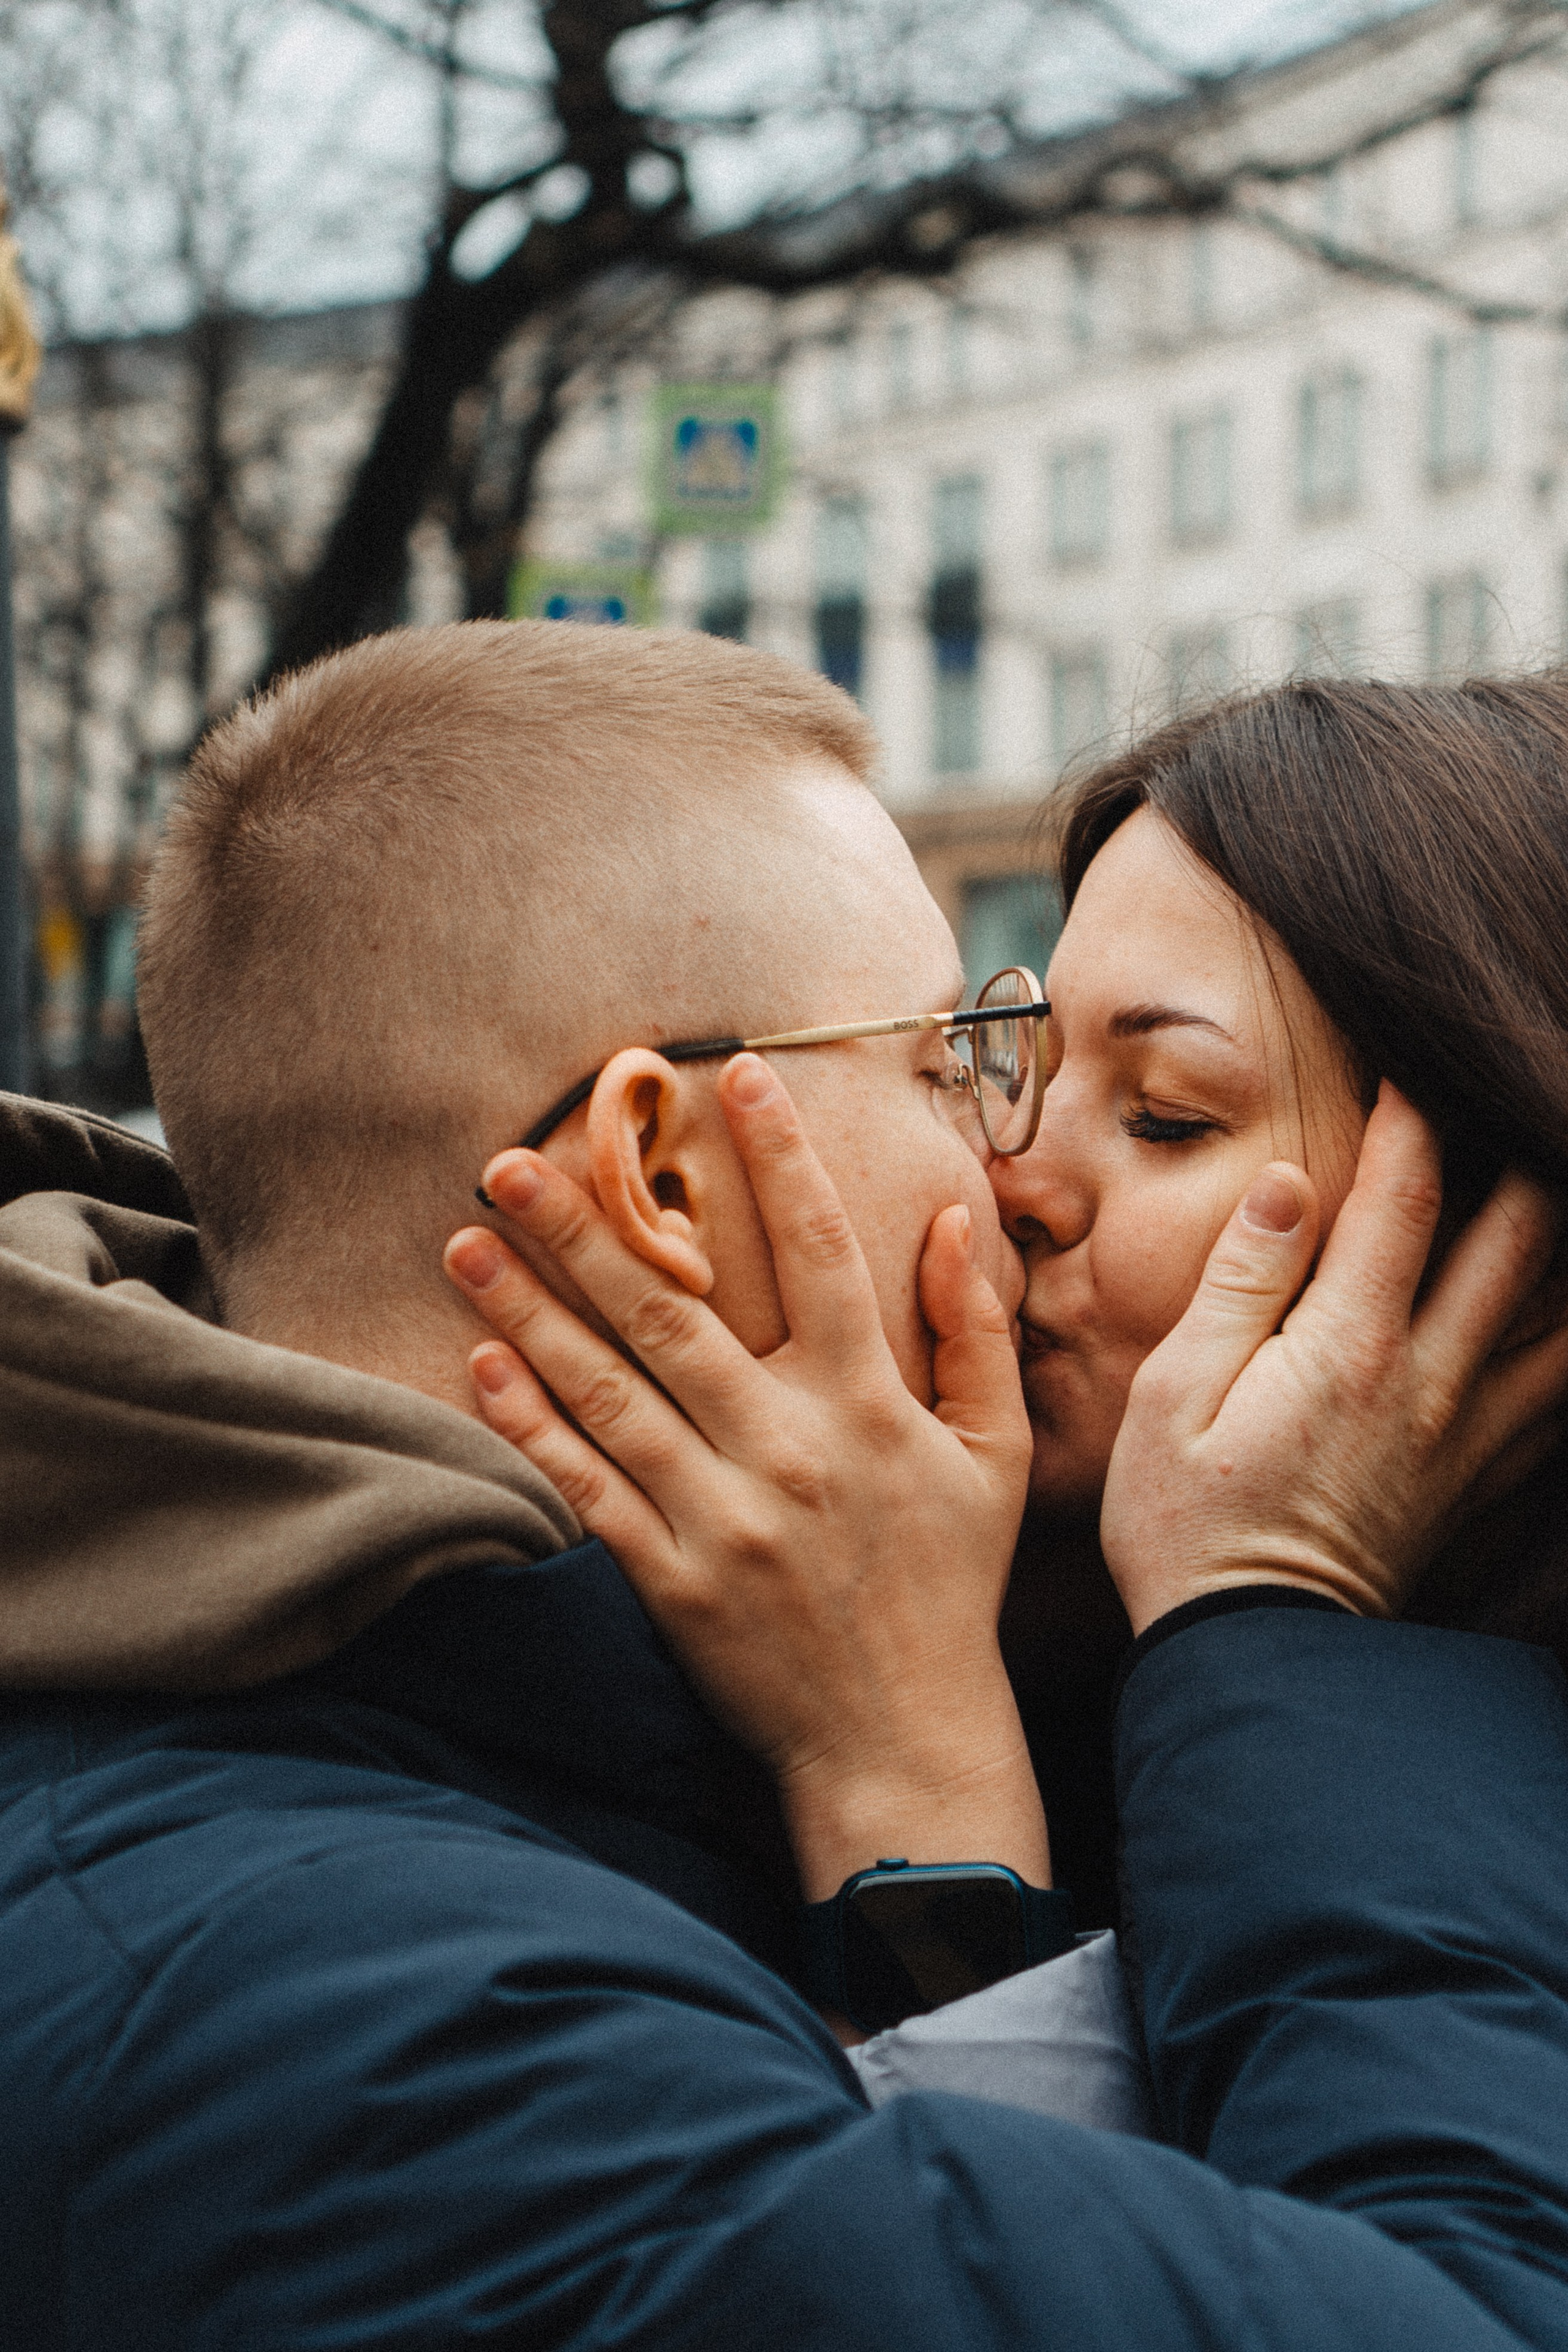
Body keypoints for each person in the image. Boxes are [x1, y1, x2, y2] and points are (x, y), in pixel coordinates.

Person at [4, 624, 1568, 2347]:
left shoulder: (826, 1698)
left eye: (1171, 1115)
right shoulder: (367, 2015)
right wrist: (1250, 1627)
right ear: (665, 1176)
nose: (1013, 1165)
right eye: (955, 1064)